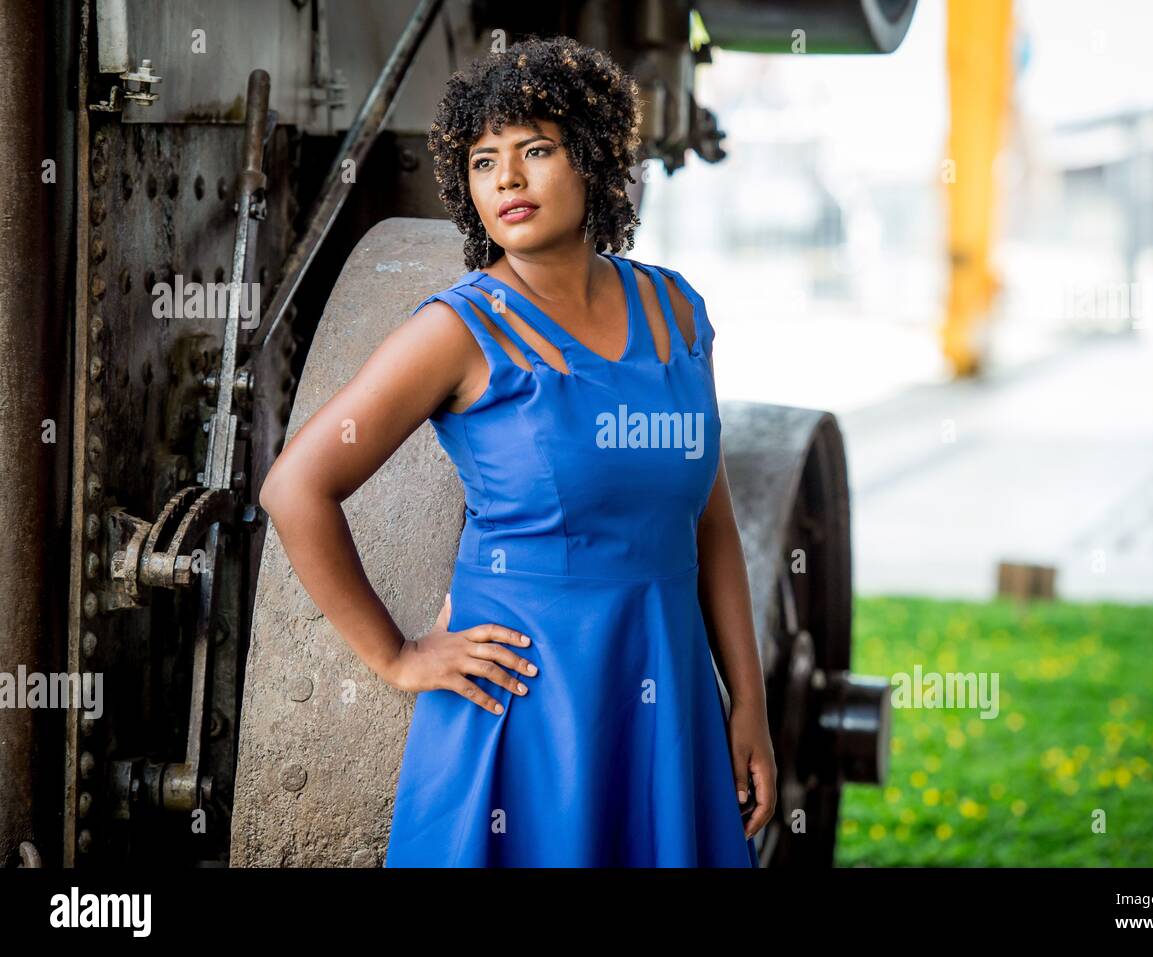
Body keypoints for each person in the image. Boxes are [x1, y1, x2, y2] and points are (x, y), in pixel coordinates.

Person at [258, 36, 775, 866]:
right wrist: (396, 656)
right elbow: (295, 489)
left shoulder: (678, 312)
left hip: (667, 700)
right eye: (483, 159)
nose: (506, 179)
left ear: (597, 157)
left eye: (536, 149)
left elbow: (709, 521)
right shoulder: (455, 329)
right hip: (524, 711)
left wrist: (747, 702)